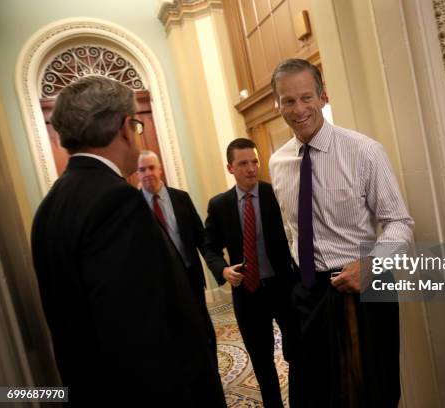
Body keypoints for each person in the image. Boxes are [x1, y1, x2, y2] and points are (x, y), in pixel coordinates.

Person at [31, 76, 226, 407]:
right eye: (136, 125)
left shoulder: (48, 207)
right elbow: (141, 329)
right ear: (124, 127)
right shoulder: (116, 200)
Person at [268, 59, 415, 407]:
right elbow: (293, 231)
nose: (299, 109)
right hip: (309, 293)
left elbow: (400, 222)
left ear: (322, 97)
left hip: (366, 287)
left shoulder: (364, 152)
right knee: (315, 395)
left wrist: (371, 266)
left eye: (306, 97)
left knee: (372, 395)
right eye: (288, 101)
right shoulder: (277, 163)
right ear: (279, 105)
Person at [203, 138, 299, 408]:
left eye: (254, 161)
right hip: (248, 293)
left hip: (283, 288)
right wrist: (222, 269)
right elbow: (209, 246)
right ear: (230, 168)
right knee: (261, 359)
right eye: (243, 163)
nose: (251, 168)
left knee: (297, 353)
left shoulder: (275, 195)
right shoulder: (219, 205)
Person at [136, 150, 218, 362]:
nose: (147, 173)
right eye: (142, 169)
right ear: (137, 173)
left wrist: (218, 268)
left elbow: (202, 238)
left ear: (160, 168)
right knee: (173, 332)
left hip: (190, 277)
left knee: (202, 328)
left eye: (151, 167)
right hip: (158, 285)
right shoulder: (133, 207)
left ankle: (210, 370)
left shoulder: (181, 198)